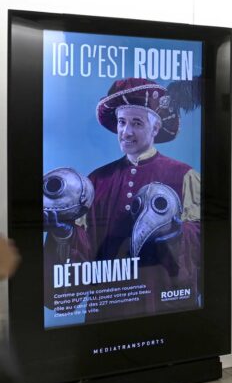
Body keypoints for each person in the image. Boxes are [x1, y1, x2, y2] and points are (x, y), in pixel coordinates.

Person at [42, 78, 201, 323]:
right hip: (108, 308)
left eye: (136, 123)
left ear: (155, 129)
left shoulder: (184, 176)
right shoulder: (96, 181)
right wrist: (64, 235)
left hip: (161, 303)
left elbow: (201, 240)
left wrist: (175, 233)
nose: (126, 132)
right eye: (121, 122)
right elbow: (84, 251)